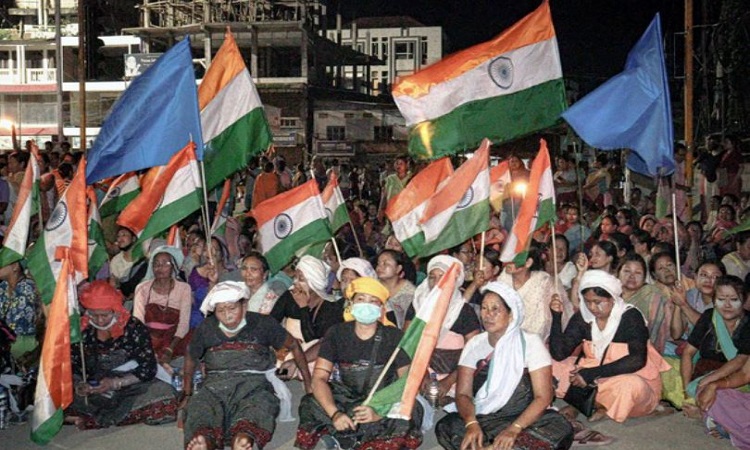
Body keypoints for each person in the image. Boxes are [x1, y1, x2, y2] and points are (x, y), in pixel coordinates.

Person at [435, 282, 574, 450]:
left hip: (524, 418)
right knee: (447, 426)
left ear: (511, 315)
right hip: (484, 417)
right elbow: (463, 394)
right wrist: (471, 423)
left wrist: (515, 429)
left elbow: (543, 397)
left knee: (559, 426)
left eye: (495, 309)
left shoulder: (530, 343)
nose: (488, 315)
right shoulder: (475, 344)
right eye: (484, 308)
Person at [295, 277, 422, 450]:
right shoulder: (336, 333)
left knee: (411, 410)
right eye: (360, 299)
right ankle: (339, 437)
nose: (366, 305)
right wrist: (335, 414)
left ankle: (350, 439)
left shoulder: (394, 337)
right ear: (351, 303)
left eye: (373, 301)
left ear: (381, 308)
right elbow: (319, 378)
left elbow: (406, 384)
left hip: (383, 399)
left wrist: (379, 412)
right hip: (347, 398)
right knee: (310, 402)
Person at [182, 281, 311, 450]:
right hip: (214, 386)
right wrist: (187, 393)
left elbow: (293, 344)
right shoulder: (207, 327)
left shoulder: (263, 323)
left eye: (232, 308)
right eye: (221, 310)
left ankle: (244, 440)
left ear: (244, 305)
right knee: (201, 408)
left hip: (254, 385)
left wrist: (308, 382)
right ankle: (207, 442)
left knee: (258, 407)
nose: (227, 315)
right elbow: (191, 357)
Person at [550, 270, 670, 422]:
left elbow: (637, 360)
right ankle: (589, 404)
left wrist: (591, 374)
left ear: (613, 298)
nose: (592, 307)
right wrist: (556, 317)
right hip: (590, 372)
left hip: (626, 375)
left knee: (631, 386)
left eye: (598, 302)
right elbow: (559, 353)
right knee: (552, 366)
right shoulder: (583, 316)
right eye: (587, 301)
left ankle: (587, 405)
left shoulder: (631, 317)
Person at [66, 281, 177, 429]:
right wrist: (82, 385)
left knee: (164, 396)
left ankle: (94, 420)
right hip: (97, 390)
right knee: (61, 397)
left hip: (132, 385)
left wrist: (115, 383)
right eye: (94, 315)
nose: (99, 320)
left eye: (105, 315)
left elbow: (148, 368)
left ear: (115, 310)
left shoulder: (133, 327)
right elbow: (73, 366)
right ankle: (100, 417)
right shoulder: (82, 331)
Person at [405, 256, 480, 407]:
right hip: (421, 371)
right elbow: (408, 344)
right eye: (432, 277)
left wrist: (449, 381)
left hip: (455, 376)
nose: (437, 282)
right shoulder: (418, 307)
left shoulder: (464, 311)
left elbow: (474, 353)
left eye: (443, 277)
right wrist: (423, 375)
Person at [679, 276, 749, 418]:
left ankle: (708, 416)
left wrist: (712, 379)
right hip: (704, 373)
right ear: (714, 301)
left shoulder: (748, 323)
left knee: (722, 397)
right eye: (721, 299)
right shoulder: (708, 317)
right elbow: (688, 353)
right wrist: (687, 391)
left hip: (736, 377)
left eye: (734, 300)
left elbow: (741, 359)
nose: (727, 305)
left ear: (744, 301)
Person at [270, 256, 344, 377]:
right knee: (274, 372)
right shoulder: (289, 296)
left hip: (313, 358)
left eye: (301, 279)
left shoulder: (331, 308)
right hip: (289, 353)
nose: (295, 282)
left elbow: (311, 339)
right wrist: (284, 341)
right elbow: (271, 323)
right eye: (295, 277)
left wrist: (303, 308)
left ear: (314, 282)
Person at [133, 246, 193, 364]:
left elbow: (183, 324)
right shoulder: (142, 288)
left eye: (165, 263)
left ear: (173, 267)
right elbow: (138, 321)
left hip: (174, 338)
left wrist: (170, 349)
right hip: (148, 336)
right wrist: (147, 347)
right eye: (156, 264)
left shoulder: (184, 288)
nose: (160, 268)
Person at [498, 246, 573, 337]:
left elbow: (544, 323)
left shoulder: (543, 282)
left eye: (515, 258)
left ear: (528, 263)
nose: (508, 262)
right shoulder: (502, 279)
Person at [618, 253, 672, 353]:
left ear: (644, 277)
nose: (632, 276)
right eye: (627, 271)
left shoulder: (653, 296)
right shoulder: (611, 296)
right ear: (618, 273)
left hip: (644, 351)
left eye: (638, 273)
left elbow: (656, 332)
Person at [0, 261, 39, 359]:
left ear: (14, 266)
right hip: (4, 343)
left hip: (26, 344)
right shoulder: (2, 287)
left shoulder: (28, 287)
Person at [376, 250, 416, 329]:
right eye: (378, 263)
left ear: (398, 268)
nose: (380, 267)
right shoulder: (372, 287)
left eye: (386, 263)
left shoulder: (410, 292)